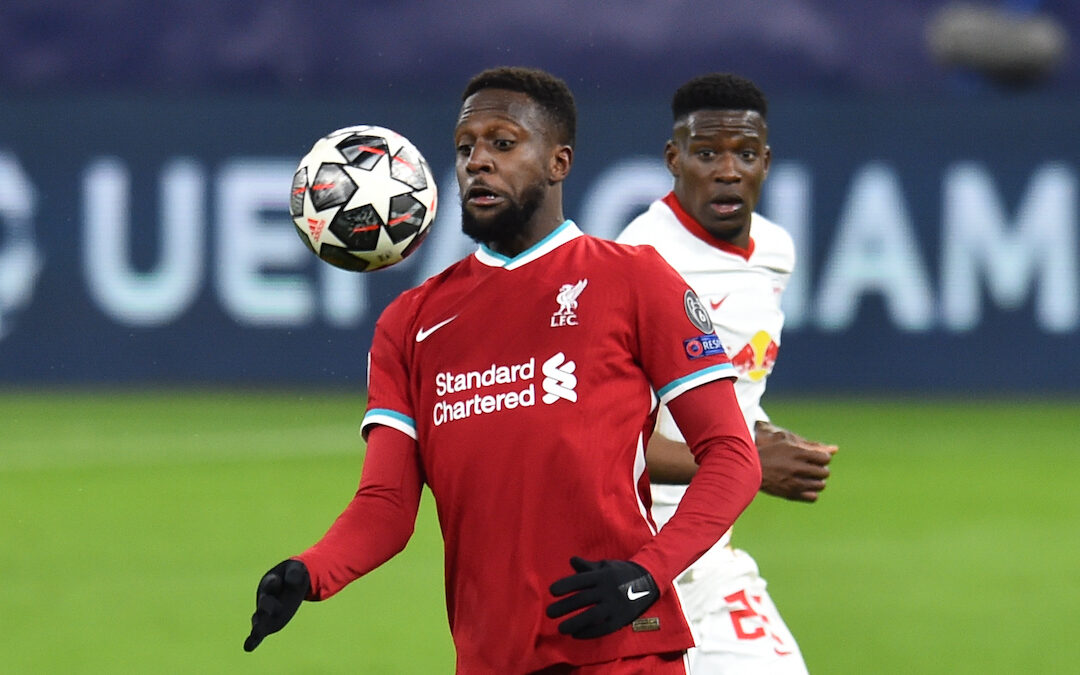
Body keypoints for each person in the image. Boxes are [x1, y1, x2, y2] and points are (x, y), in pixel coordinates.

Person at [243, 66, 762, 674]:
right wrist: (311, 571)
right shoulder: (411, 323)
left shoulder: (635, 280)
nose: (476, 162)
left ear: (558, 162)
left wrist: (646, 575)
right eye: (465, 148)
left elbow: (731, 455)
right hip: (491, 657)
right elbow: (386, 504)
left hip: (622, 650)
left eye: (503, 143)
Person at [615, 73, 838, 674]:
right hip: (634, 547)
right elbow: (607, 436)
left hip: (708, 543)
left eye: (744, 153)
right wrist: (746, 461)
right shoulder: (641, 268)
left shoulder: (773, 251)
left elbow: (732, 387)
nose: (727, 169)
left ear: (766, 161)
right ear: (674, 158)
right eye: (707, 152)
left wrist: (759, 432)